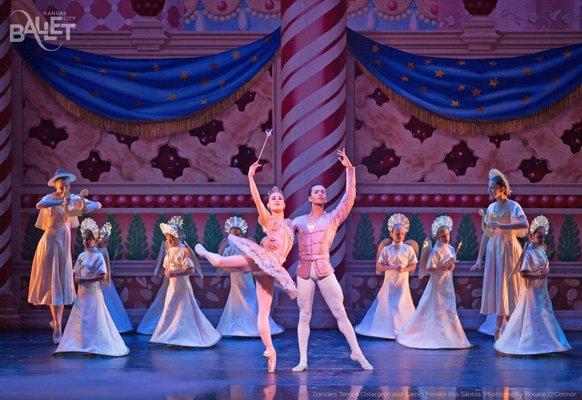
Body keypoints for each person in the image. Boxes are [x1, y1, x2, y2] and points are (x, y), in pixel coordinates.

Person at [195, 161, 298, 373]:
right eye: (273, 199)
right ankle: (205, 253)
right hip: (263, 260)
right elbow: (257, 200)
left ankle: (270, 351)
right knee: (221, 262)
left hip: (272, 268)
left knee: (263, 312)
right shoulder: (268, 220)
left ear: (285, 204)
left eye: (280, 198)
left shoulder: (289, 223)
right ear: (269, 206)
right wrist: (251, 177)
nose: (277, 200)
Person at [289, 148, 372, 372]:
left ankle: (357, 353)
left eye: (323, 192)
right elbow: (280, 231)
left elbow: (349, 198)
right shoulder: (298, 221)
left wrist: (350, 170)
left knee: (340, 312)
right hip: (305, 269)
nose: (320, 194)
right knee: (304, 314)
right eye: (316, 192)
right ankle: (303, 360)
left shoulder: (332, 219)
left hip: (324, 268)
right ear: (309, 198)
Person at [28, 169, 101, 343]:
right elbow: (39, 204)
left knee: (60, 283)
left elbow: (97, 205)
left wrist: (82, 205)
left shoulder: (73, 198)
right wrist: (61, 201)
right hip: (50, 243)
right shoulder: (50, 198)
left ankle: (57, 321)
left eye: (66, 186)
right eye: (61, 187)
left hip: (64, 244)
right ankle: (58, 326)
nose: (64, 189)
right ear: (55, 186)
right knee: (53, 284)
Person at [494, 216, 571, 355]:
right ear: (532, 236)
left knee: (545, 313)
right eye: (539, 237)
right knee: (535, 313)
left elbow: (544, 266)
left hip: (542, 288)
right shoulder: (528, 253)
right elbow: (524, 273)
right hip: (532, 290)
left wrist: (546, 271)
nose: (542, 240)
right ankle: (530, 343)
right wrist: (538, 275)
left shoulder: (542, 250)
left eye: (543, 237)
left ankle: (548, 343)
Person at [396, 216, 471, 349]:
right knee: (437, 307)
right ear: (437, 237)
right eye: (443, 236)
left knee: (448, 308)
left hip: (447, 284)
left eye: (447, 234)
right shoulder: (435, 251)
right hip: (437, 285)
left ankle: (451, 336)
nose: (446, 238)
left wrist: (451, 267)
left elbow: (450, 264)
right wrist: (444, 267)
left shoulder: (451, 249)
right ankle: (437, 336)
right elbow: (429, 268)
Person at [54, 225, 129, 356]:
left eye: (89, 239)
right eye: (84, 239)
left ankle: (94, 345)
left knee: (94, 317)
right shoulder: (82, 255)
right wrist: (77, 278)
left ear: (95, 240)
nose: (86, 241)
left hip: (93, 293)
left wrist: (86, 281)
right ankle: (80, 343)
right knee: (81, 318)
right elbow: (76, 271)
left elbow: (102, 275)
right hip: (82, 294)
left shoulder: (98, 256)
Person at [471, 169, 527, 340]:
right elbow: (487, 234)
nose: (489, 191)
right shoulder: (491, 208)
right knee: (499, 287)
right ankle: (501, 329)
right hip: (495, 250)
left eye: (492, 188)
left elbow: (524, 224)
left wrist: (503, 227)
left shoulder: (513, 206)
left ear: (502, 188)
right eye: (488, 188)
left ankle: (507, 329)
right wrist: (479, 258)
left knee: (508, 287)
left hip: (509, 249)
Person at [150, 218, 221, 348]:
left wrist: (176, 273)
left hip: (182, 284)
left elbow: (190, 269)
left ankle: (184, 336)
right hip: (173, 285)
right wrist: (166, 272)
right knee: (170, 307)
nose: (169, 240)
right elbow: (166, 266)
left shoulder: (183, 251)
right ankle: (171, 335)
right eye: (168, 238)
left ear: (177, 237)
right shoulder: (170, 251)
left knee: (183, 308)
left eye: (172, 237)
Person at [216, 216, 284, 337]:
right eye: (233, 232)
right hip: (235, 276)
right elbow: (223, 262)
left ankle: (256, 324)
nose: (236, 234)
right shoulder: (228, 246)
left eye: (238, 232)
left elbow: (255, 258)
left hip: (246, 274)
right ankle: (237, 326)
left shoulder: (247, 244)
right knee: (236, 297)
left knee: (250, 296)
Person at [355, 213, 417, 341]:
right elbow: (380, 266)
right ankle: (387, 329)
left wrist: (404, 269)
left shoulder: (408, 249)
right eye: (397, 233)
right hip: (390, 281)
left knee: (400, 303)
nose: (400, 236)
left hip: (402, 282)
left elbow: (413, 265)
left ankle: (401, 329)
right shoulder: (386, 249)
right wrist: (390, 267)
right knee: (388, 303)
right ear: (391, 234)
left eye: (402, 234)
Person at [92, 220, 133, 333]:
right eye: (104, 241)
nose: (106, 244)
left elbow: (107, 266)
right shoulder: (94, 251)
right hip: (95, 279)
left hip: (104, 279)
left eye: (107, 242)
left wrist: (108, 278)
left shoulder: (103, 250)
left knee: (108, 301)